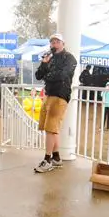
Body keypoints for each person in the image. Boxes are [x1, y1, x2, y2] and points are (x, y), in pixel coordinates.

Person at [32, 34, 76, 173]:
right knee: (49, 128)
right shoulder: (49, 58)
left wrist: (48, 76)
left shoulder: (69, 58)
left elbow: (63, 75)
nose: (54, 44)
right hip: (49, 94)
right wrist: (44, 64)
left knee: (51, 127)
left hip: (60, 95)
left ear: (63, 43)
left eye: (57, 41)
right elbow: (38, 75)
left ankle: (47, 159)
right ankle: (56, 158)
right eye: (52, 42)